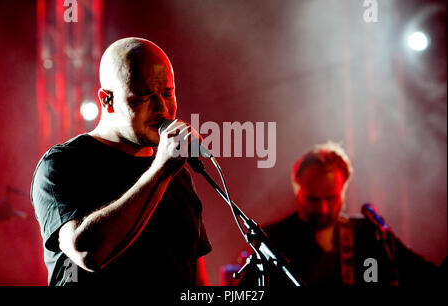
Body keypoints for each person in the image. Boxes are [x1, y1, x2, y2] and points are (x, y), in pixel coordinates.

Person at [30, 37, 212, 286]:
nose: (163, 107)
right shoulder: (62, 164)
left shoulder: (178, 176)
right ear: (107, 100)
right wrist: (159, 170)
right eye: (145, 96)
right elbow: (87, 253)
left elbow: (196, 280)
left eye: (167, 93)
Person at [238, 141, 439, 287]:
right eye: (313, 199)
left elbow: (424, 274)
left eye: (331, 199)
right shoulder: (272, 239)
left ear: (344, 189)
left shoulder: (370, 234)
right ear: (296, 188)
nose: (323, 209)